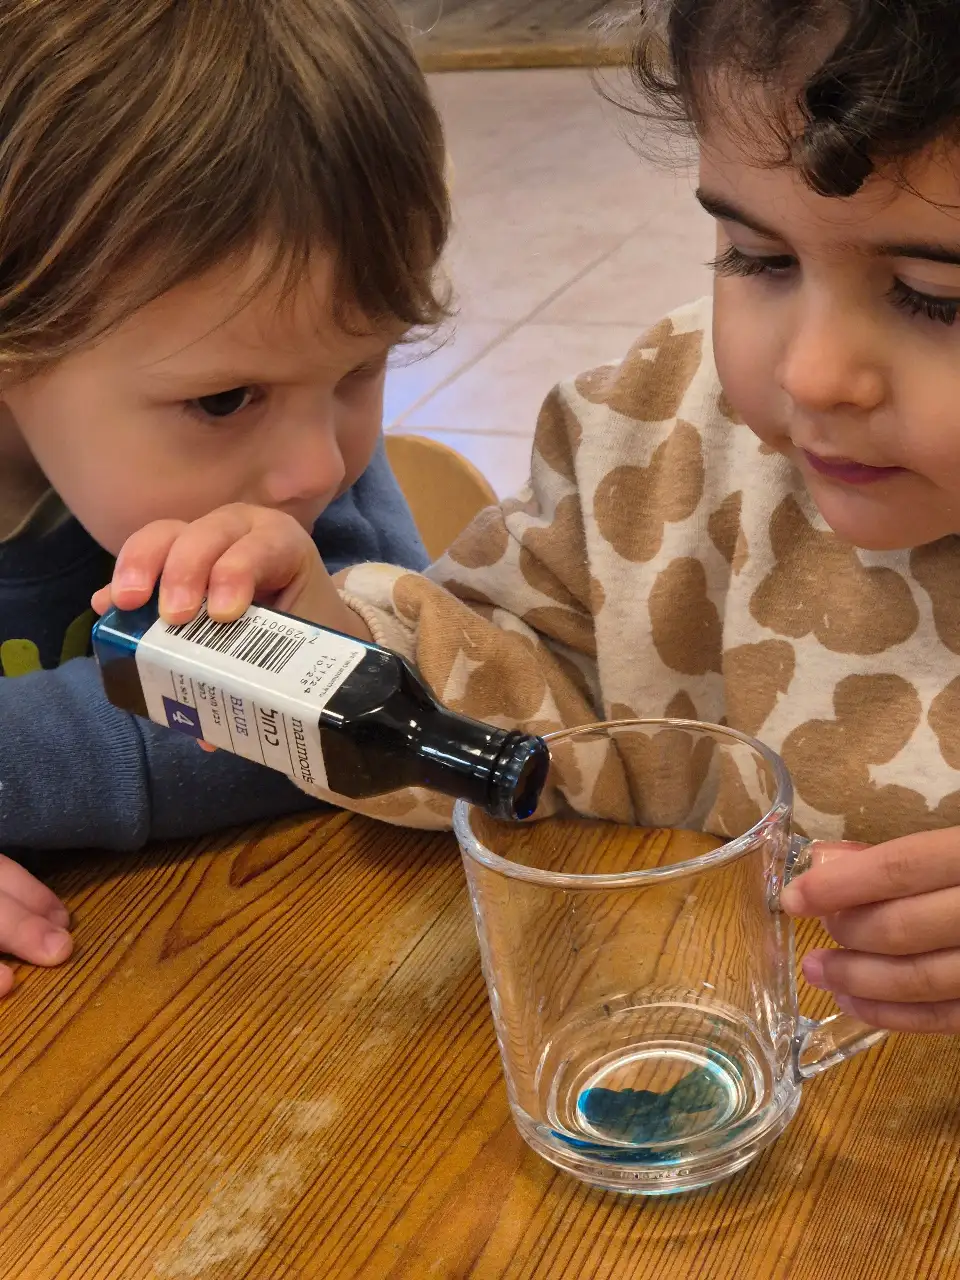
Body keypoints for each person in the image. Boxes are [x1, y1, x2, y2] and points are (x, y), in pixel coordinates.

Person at [103, 0, 960, 1034]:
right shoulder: (651, 437)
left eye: (933, 296)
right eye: (758, 257)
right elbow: (523, 698)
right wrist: (333, 649)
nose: (812, 374)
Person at [0, 0, 452, 994]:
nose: (317, 469)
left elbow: (366, 716)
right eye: (222, 400)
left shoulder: (289, 473)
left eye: (362, 368)